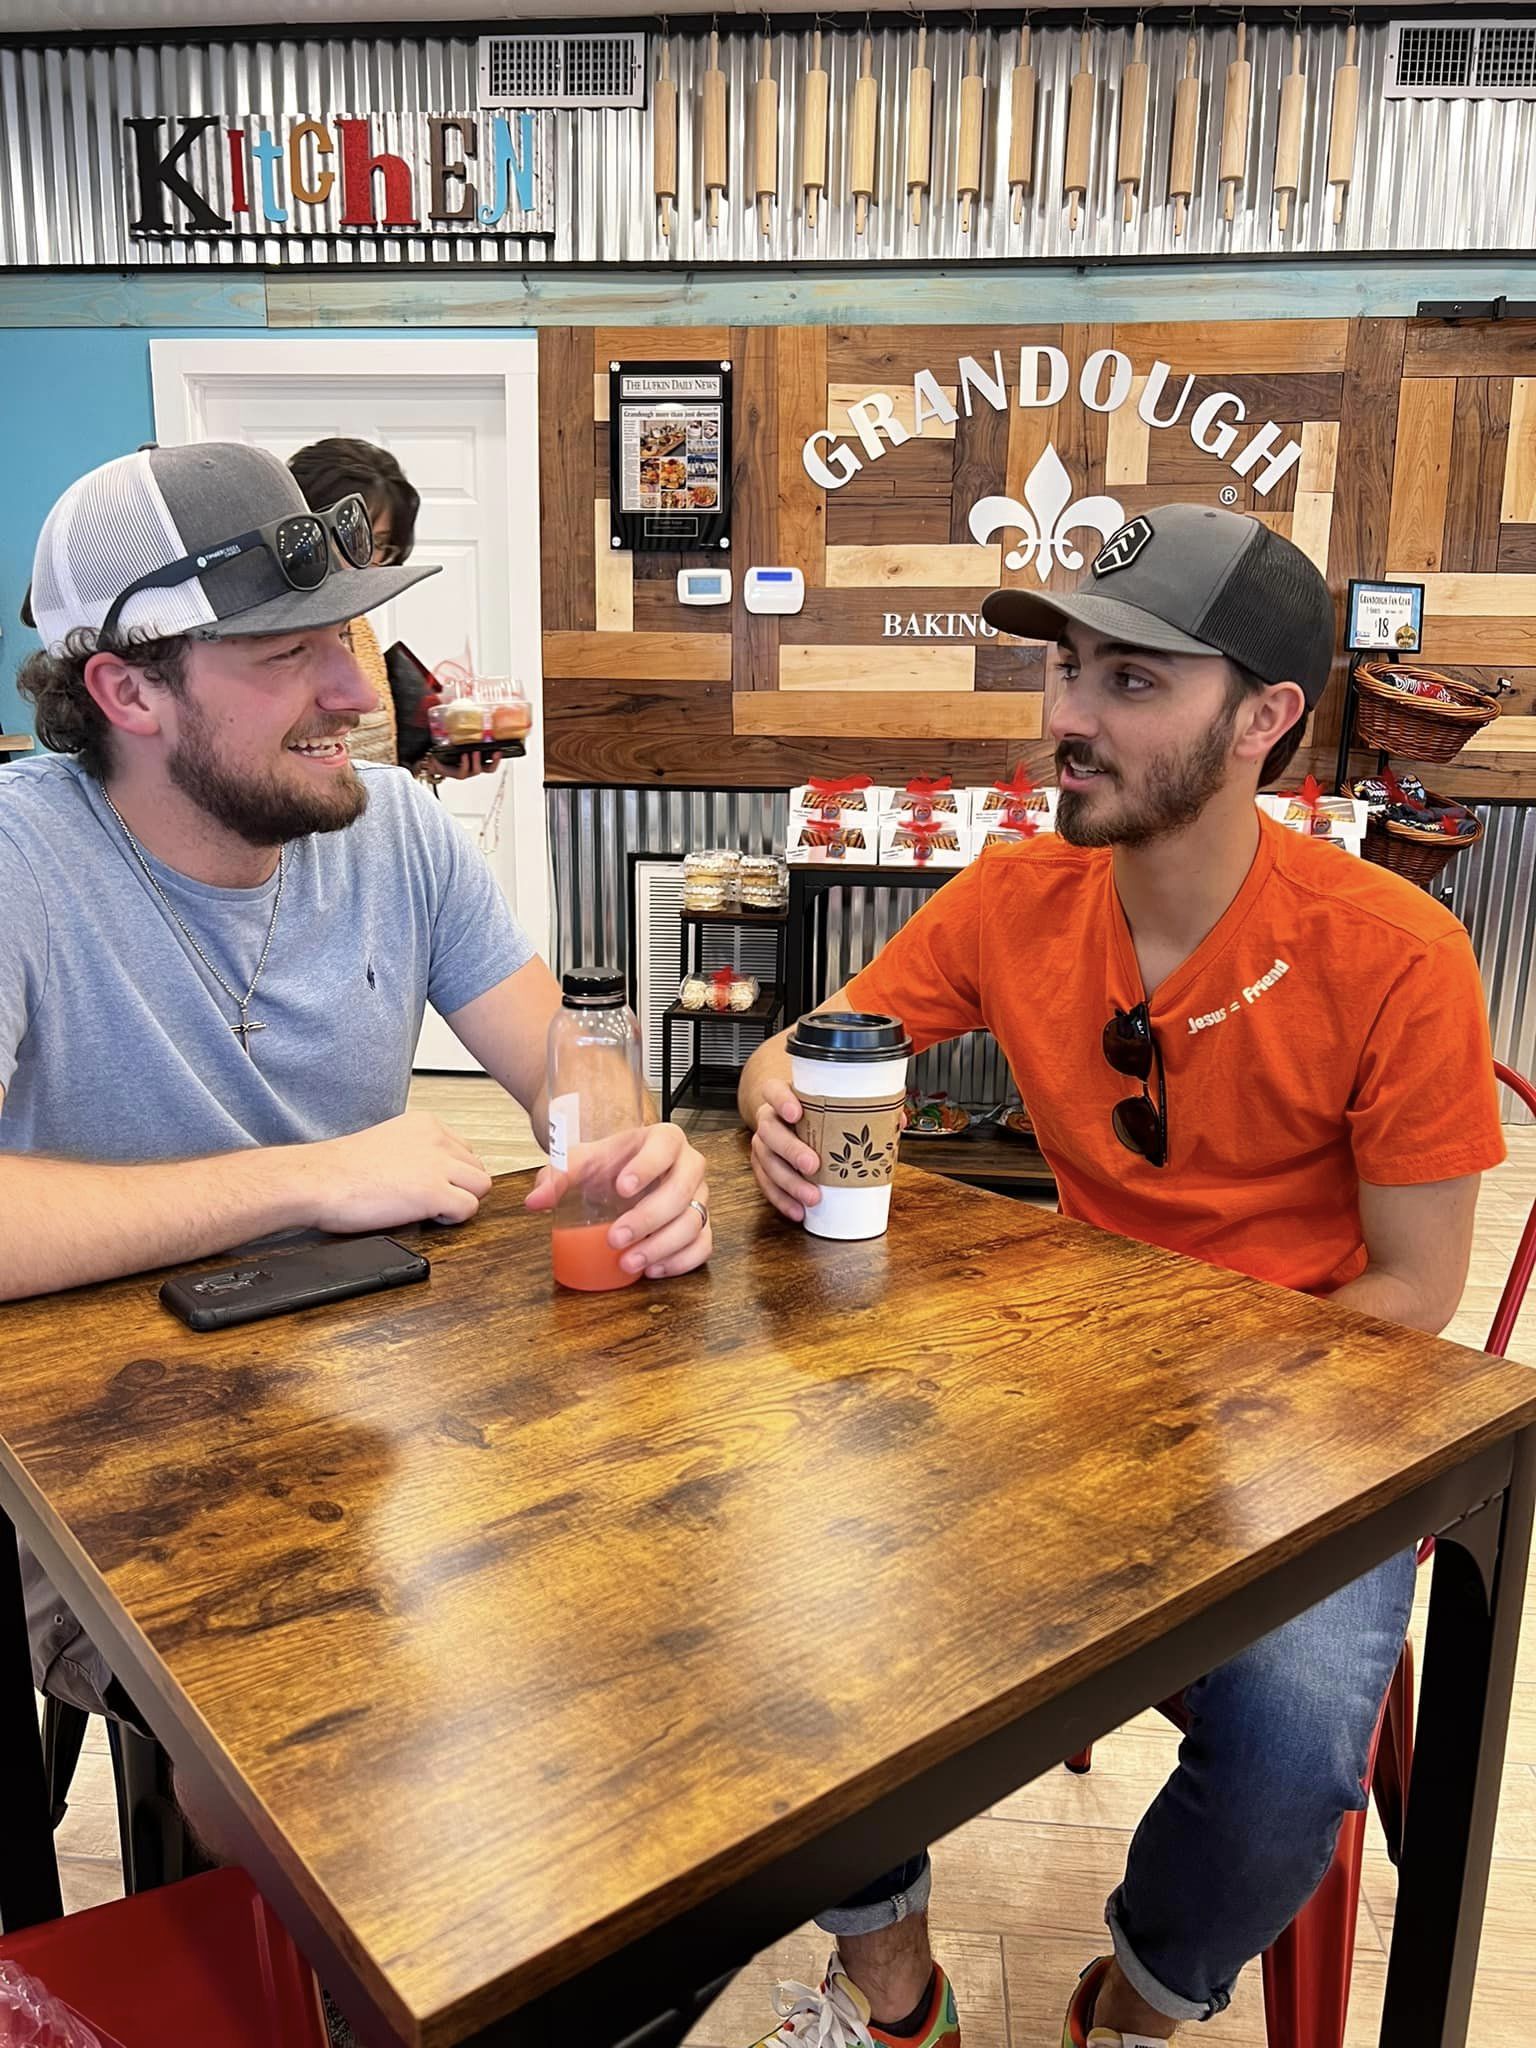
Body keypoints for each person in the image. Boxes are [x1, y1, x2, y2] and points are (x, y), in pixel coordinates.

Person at [737, 505, 1505, 2048]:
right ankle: (894, 1996)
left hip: (1298, 1411)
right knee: (788, 1586)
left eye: (1134, 681)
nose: (1068, 719)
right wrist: (773, 1096)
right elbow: (808, 1043)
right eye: (1069, 668)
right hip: (1045, 1397)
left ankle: (1139, 2007)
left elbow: (1414, 1294)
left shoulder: (1397, 953)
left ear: (1265, 721)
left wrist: (1165, 1408)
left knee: (1293, 1743)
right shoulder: (1017, 901)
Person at [3, 440, 712, 1720]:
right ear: (128, 690)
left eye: (350, 631)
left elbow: (560, 1052)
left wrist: (621, 1149)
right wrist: (311, 1177)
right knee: (350, 1696)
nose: (356, 687)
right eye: (287, 655)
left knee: (652, 1579)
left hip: (378, 1421)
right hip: (101, 1484)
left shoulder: (393, 829)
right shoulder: (17, 866)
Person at [287, 435, 496, 782]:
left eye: (379, 544)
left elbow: (370, 756)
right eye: (351, 538)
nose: (364, 561)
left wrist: (431, 760)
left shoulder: (359, 628)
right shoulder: (266, 638)